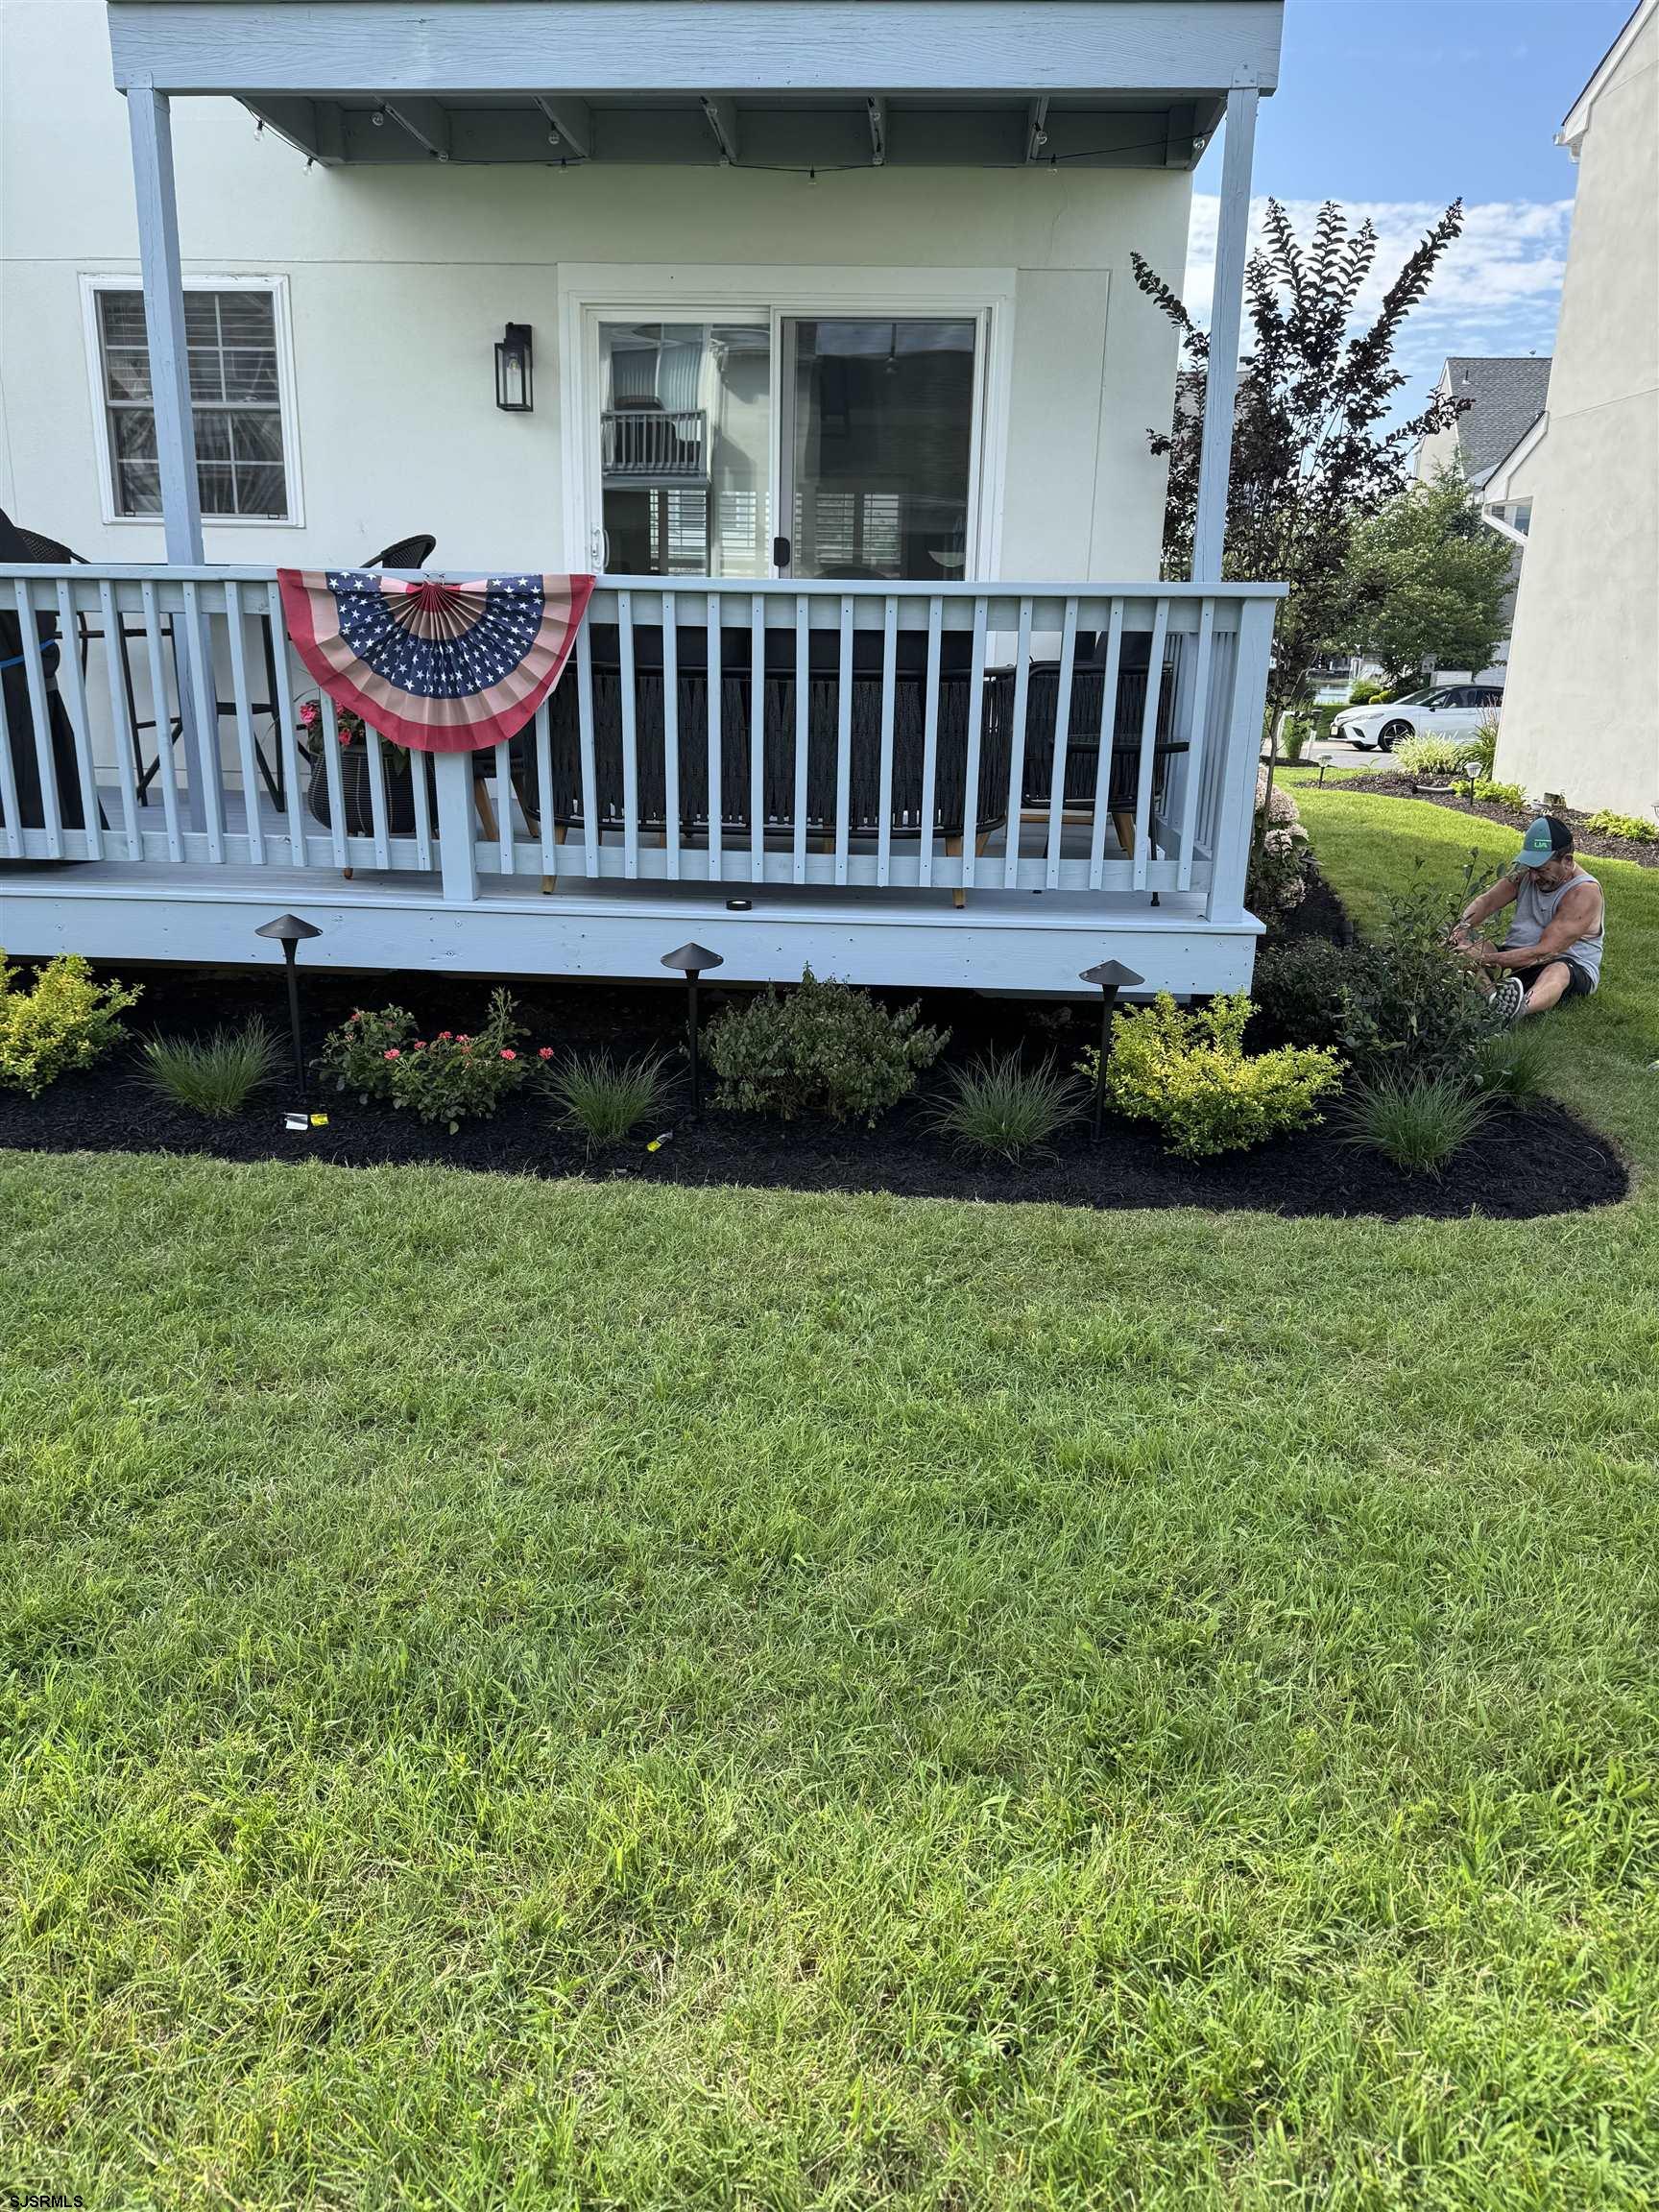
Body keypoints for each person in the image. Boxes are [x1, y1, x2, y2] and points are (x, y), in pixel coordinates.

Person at [1452, 814, 1604, 1021]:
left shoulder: (1584, 892)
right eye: (1531, 868)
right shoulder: (1527, 871)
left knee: (1558, 970)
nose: (1533, 876)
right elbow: (1487, 902)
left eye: (1542, 869)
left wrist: (1484, 960)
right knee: (1464, 946)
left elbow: (1544, 953)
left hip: (1563, 965)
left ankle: (1520, 1008)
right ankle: (1494, 1000)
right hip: (1516, 957)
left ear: (1567, 861)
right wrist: (1458, 931)